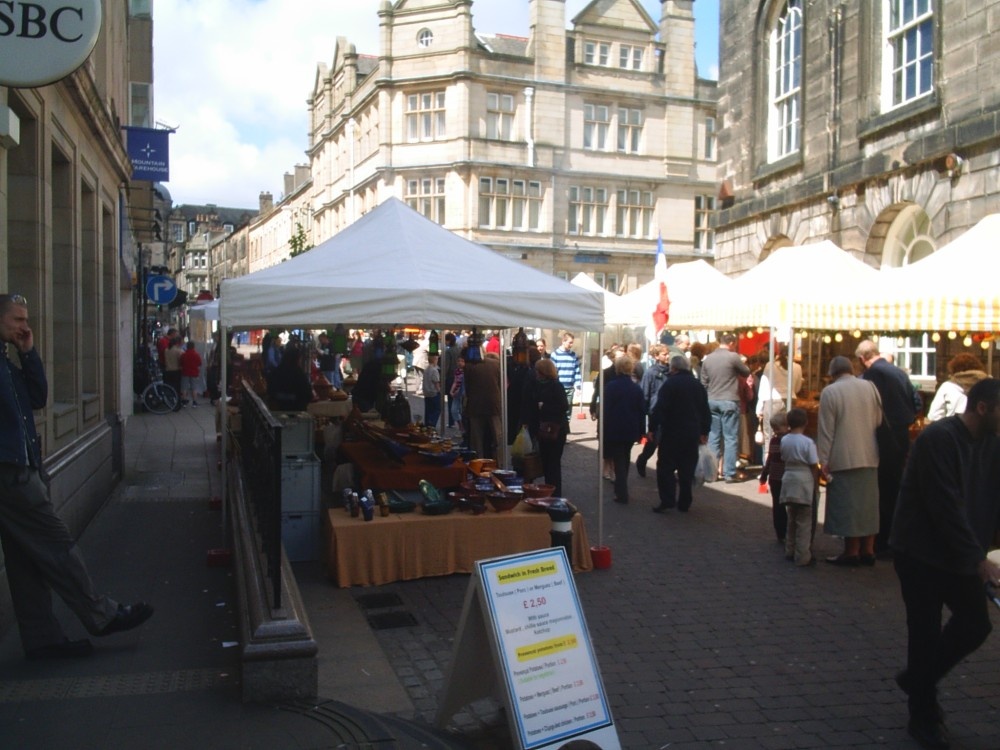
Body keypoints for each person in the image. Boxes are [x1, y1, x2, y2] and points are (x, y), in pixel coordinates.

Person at [0, 293, 153, 660]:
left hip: (22, 467)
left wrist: (28, 353)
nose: (25, 326)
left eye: (26, 319)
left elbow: (38, 397)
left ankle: (42, 640)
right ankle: (101, 615)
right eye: (18, 320)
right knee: (57, 545)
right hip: (11, 473)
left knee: (24, 559)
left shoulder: (7, 360)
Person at [890, 378, 1000, 749]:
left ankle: (917, 680)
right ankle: (923, 716)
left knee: (976, 624)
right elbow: (944, 504)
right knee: (924, 632)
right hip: (919, 551)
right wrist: (978, 557)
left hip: (959, 552)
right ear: (983, 408)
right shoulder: (939, 439)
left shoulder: (992, 445)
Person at [817, 355, 882, 566]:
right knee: (868, 506)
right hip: (870, 453)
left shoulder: (830, 392)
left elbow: (826, 430)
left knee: (848, 507)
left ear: (832, 373)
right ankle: (869, 549)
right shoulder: (870, 387)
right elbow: (878, 419)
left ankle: (851, 551)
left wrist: (823, 460)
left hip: (843, 456)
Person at [856, 339, 919, 557]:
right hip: (901, 435)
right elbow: (916, 402)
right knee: (895, 488)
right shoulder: (899, 372)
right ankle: (895, 538)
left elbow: (867, 407)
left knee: (882, 491)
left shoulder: (872, 375)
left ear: (862, 358)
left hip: (883, 436)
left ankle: (882, 542)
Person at [649, 355, 710, 513]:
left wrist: (652, 428)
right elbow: (705, 410)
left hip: (672, 431)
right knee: (687, 469)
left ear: (674, 368)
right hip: (692, 433)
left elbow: (659, 408)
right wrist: (704, 431)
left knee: (665, 467)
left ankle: (668, 499)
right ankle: (685, 501)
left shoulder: (670, 384)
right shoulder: (698, 386)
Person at [700, 332, 750, 482]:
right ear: (732, 343)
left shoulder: (708, 359)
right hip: (729, 400)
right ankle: (729, 473)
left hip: (712, 400)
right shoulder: (733, 357)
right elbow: (746, 372)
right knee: (730, 438)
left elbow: (703, 382)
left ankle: (711, 473)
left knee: (713, 438)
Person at [521, 358, 569, 497]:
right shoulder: (536, 385)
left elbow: (564, 406)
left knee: (553, 463)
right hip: (542, 429)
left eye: (538, 370)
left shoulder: (556, 386)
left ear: (544, 372)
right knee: (546, 462)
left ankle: (555, 493)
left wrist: (544, 407)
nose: (536, 373)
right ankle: (549, 491)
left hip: (555, 429)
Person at [778, 408, 820, 567]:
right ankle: (803, 555)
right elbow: (813, 464)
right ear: (805, 423)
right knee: (804, 521)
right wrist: (816, 484)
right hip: (803, 480)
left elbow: (783, 457)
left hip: (789, 478)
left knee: (791, 517)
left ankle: (790, 549)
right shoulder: (808, 442)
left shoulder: (784, 440)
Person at [602, 355, 645, 504]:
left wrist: (603, 429)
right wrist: (641, 431)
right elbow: (641, 411)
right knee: (625, 457)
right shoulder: (636, 388)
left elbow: (606, 410)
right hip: (630, 428)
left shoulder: (611, 387)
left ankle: (621, 491)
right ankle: (621, 487)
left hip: (614, 428)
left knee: (619, 459)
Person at [756, 343, 804, 462]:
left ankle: (768, 467)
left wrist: (759, 407)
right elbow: (797, 388)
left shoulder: (770, 365)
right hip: (790, 401)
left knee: (769, 438)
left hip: (772, 400)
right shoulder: (797, 367)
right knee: (790, 435)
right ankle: (786, 464)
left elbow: (764, 385)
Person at [635, 344, 670, 478]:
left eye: (667, 353)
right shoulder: (650, 373)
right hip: (655, 412)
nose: (667, 356)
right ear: (656, 356)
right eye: (664, 354)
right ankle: (642, 459)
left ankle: (664, 471)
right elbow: (645, 394)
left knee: (666, 445)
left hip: (668, 411)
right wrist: (645, 414)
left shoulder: (671, 371)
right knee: (653, 443)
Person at [925, 352, 989, 422]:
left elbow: (934, 415)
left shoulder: (947, 386)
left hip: (953, 426)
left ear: (954, 369)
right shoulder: (987, 385)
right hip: (981, 427)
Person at [464, 350, 502, 460]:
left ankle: (478, 462)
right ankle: (500, 460)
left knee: (477, 439)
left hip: (475, 405)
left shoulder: (470, 366)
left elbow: (468, 387)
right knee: (498, 436)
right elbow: (501, 385)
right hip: (494, 404)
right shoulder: (497, 365)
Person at [758, 411, 789, 544]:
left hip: (776, 479)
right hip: (784, 478)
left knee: (778, 506)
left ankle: (781, 533)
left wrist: (764, 475)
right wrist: (764, 474)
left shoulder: (774, 441)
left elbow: (770, 460)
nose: (776, 431)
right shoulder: (788, 440)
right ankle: (785, 532)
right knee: (784, 506)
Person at [267, 345, 314, 412]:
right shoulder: (299, 373)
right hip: (296, 410)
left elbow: (270, 391)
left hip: (277, 409)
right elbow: (308, 394)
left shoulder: (276, 371)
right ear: (297, 359)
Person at [549, 332, 582, 419]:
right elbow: (552, 372)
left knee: (567, 410)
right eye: (569, 342)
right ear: (563, 341)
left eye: (572, 343)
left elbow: (577, 371)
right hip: (558, 387)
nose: (571, 345)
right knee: (557, 409)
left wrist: (578, 386)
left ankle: (566, 426)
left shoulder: (573, 355)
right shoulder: (555, 354)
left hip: (570, 387)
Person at [179, 341, 203, 408]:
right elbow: (200, 363)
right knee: (194, 388)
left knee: (184, 388)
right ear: (193, 347)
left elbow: (181, 363)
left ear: (187, 347)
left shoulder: (184, 355)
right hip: (194, 373)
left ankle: (184, 402)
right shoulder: (196, 354)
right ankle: (194, 402)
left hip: (185, 372)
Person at [163, 337, 183, 408]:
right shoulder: (179, 351)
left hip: (167, 371)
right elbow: (181, 360)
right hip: (176, 371)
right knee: (177, 388)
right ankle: (177, 404)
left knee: (169, 387)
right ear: (177, 343)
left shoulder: (166, 350)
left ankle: (169, 402)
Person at [422, 353, 441, 430]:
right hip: (433, 393)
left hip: (426, 393)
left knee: (428, 410)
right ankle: (432, 424)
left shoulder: (426, 369)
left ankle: (427, 424)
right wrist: (439, 391)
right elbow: (436, 382)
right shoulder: (434, 370)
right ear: (435, 360)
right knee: (437, 409)